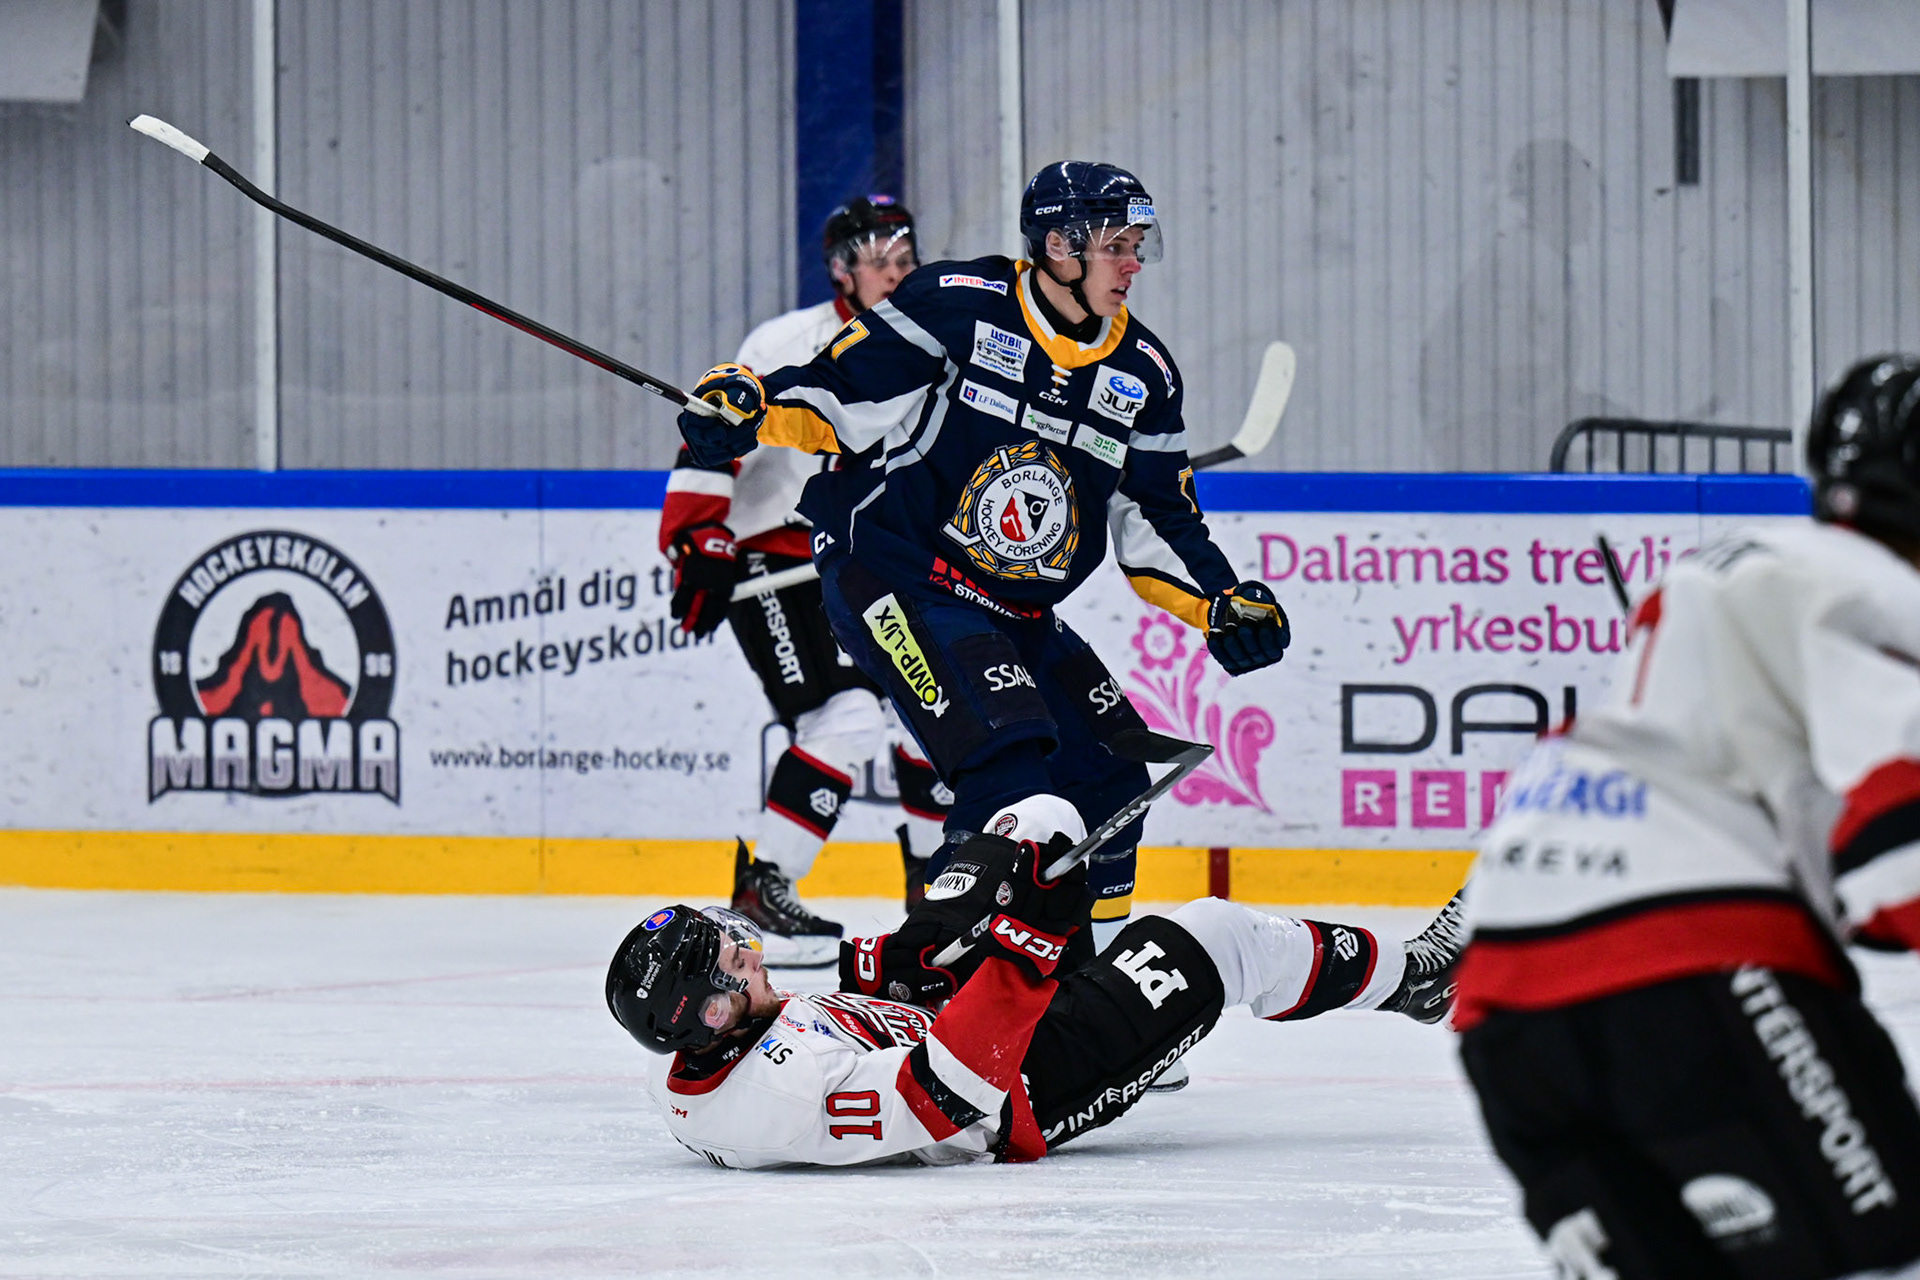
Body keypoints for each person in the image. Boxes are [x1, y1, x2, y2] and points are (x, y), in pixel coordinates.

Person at [673, 162, 1291, 975]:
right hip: (894, 576)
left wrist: (1220, 601)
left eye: (1138, 245)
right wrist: (753, 406)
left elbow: (1157, 516)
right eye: (1117, 245)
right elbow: (837, 396)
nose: (1133, 263)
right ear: (1061, 244)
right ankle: (945, 981)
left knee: (1110, 780)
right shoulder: (958, 302)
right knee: (1009, 776)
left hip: (1015, 610)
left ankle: (1094, 992)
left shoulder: (1145, 371)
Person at [1453, 355, 1920, 1279]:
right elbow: (1893, 853)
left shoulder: (1736, 564)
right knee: (1881, 1251)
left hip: (1506, 999)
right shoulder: (1875, 590)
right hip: (1682, 970)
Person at [606, 794, 1466, 1169]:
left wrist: (911, 954)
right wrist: (1026, 946)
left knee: (1039, 823)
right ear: (709, 1011)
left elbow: (834, 1016)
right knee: (1219, 934)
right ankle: (1420, 981)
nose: (746, 949)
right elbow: (949, 1095)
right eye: (729, 960)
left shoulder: (697, 1048)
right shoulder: (779, 1101)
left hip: (952, 1026)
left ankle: (1095, 966)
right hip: (1021, 1087)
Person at [660, 195, 950, 964]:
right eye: (880, 262)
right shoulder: (788, 341)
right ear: (841, 271)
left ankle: (939, 897)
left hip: (870, 557)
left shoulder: (933, 342)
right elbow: (715, 427)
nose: (897, 273)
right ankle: (764, 894)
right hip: (777, 554)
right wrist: (697, 535)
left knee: (930, 716)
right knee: (845, 720)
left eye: (905, 259)